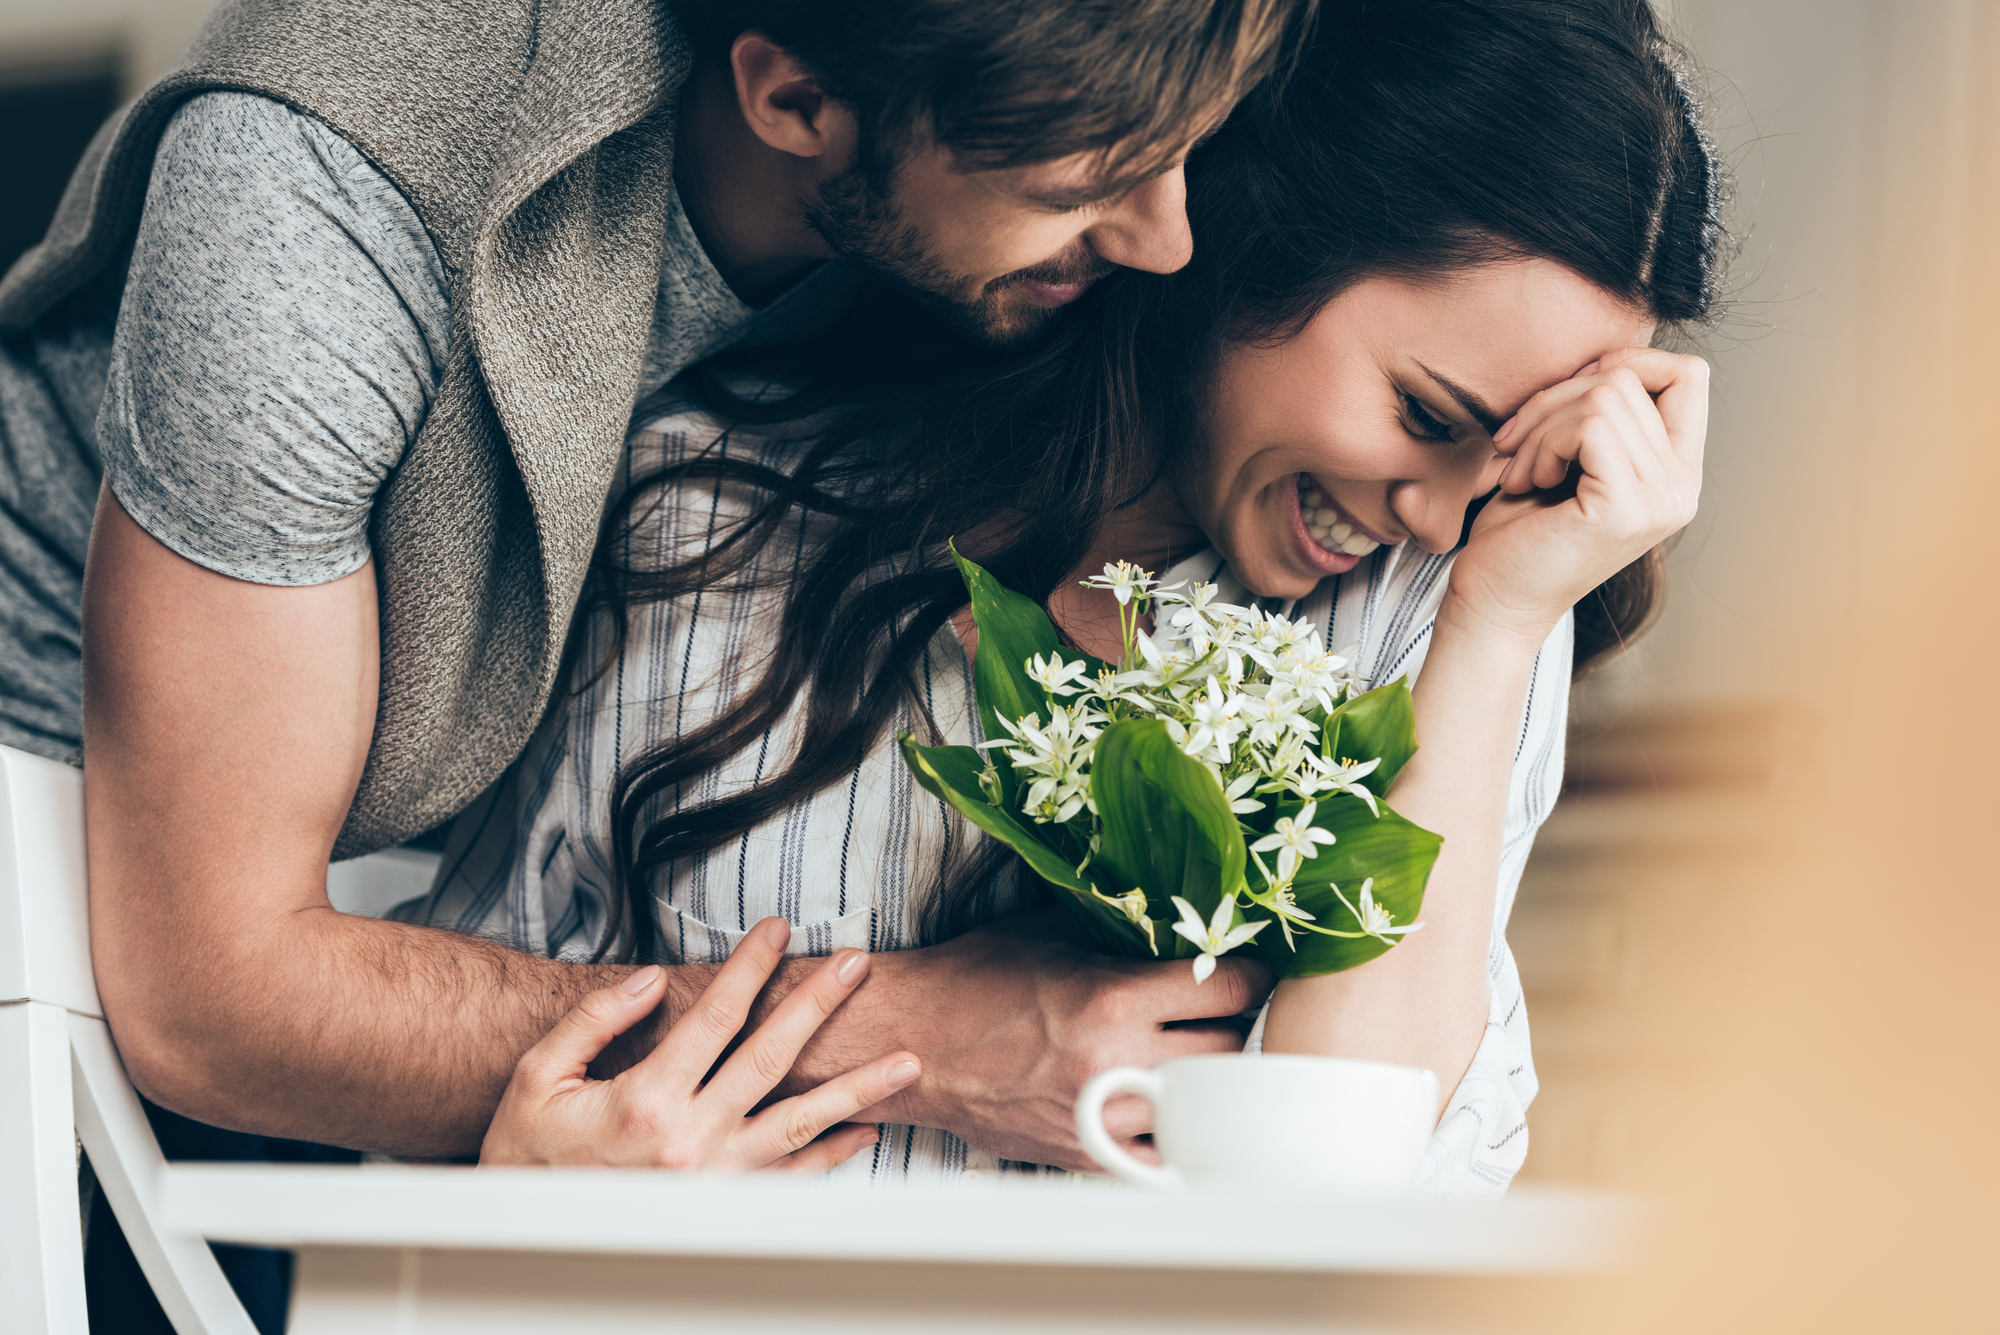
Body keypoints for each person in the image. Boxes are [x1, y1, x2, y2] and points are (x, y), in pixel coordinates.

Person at [436, 0, 1726, 1186]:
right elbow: (504, 1053)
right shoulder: (721, 502)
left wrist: (1499, 624)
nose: (1441, 510)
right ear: (1243, 239)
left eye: (1503, 466)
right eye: (1429, 413)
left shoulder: (1444, 609)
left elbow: (1345, 1188)